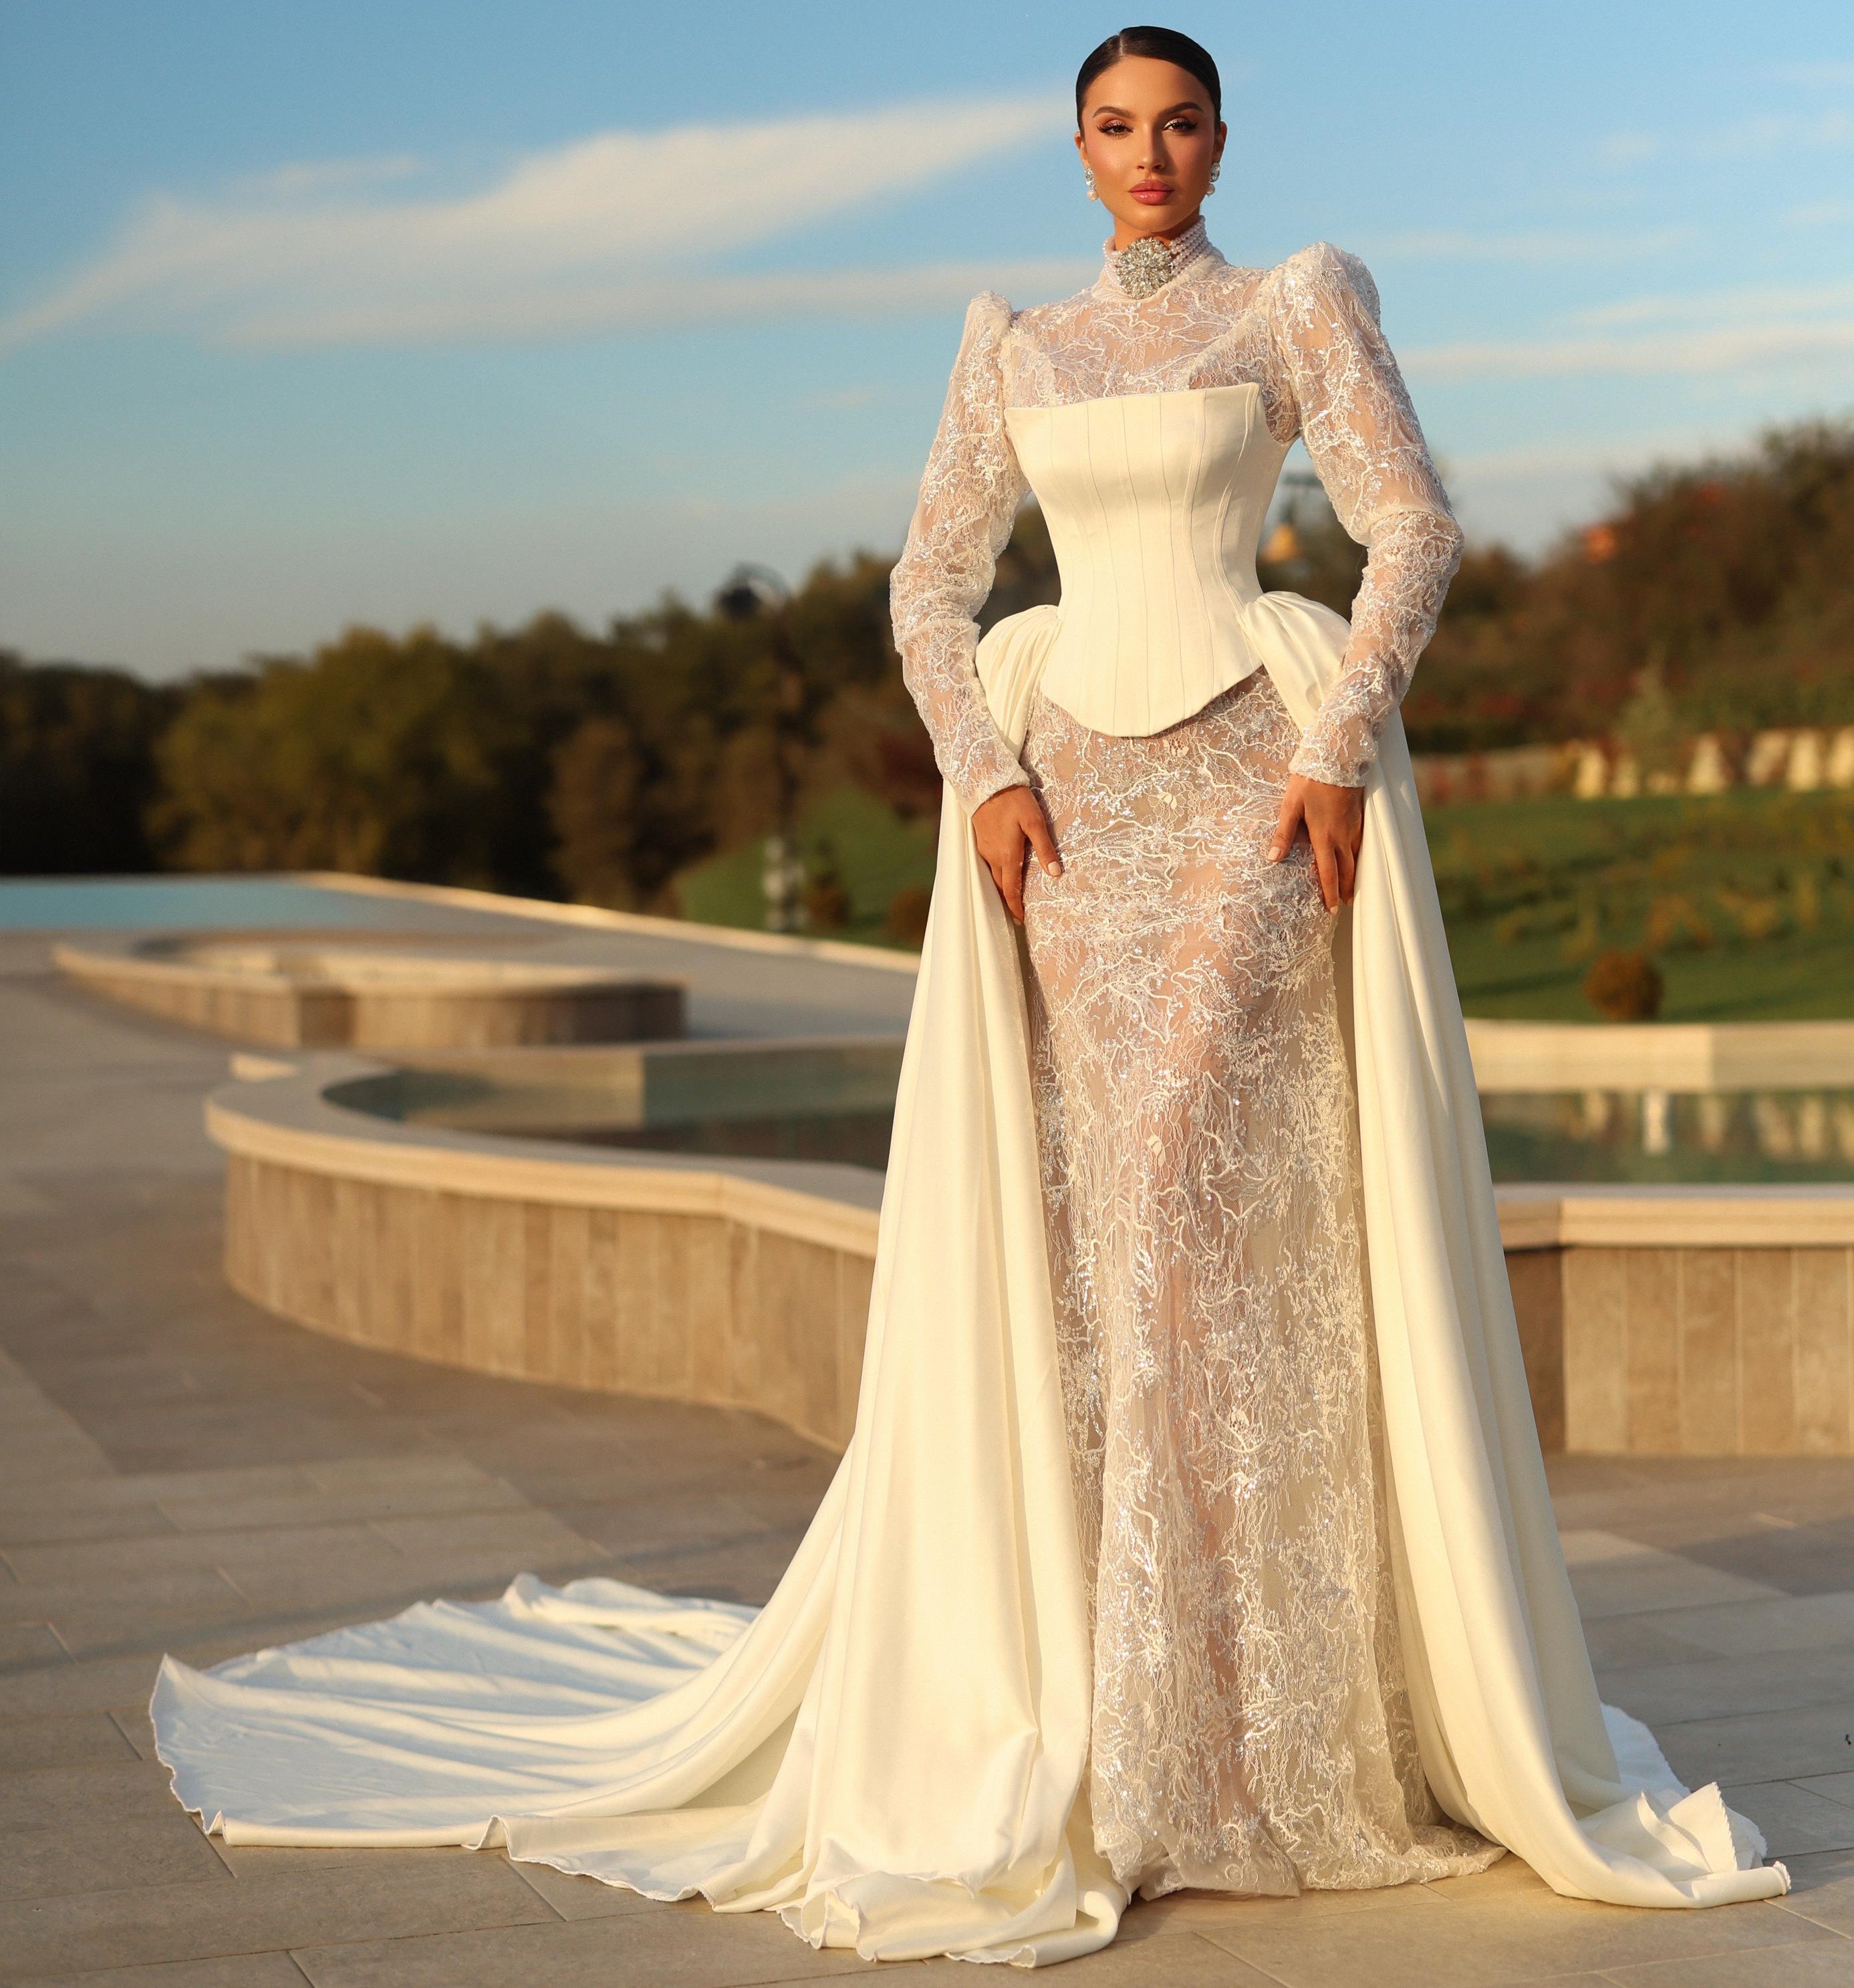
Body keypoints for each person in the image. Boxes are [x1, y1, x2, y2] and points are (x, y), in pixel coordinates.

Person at [150, 25, 1790, 1967]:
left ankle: (1258, 1743)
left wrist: (1338, 744)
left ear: (1220, 141)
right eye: (1117, 126)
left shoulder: (1300, 299)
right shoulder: (1008, 339)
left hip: (1256, 801)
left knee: (1214, 1218)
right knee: (1107, 1247)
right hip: (1068, 825)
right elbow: (931, 584)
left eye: (1181, 124)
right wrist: (987, 773)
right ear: (1079, 148)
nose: (1152, 153)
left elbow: (1411, 524)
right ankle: (1122, 1729)